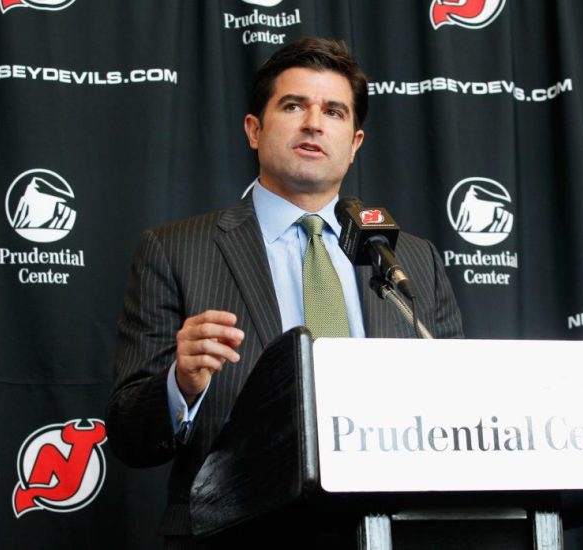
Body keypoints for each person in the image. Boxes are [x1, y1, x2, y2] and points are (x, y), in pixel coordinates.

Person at [106, 37, 463, 549]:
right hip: (234, 532)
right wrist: (179, 384)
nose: (314, 123)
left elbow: (457, 407)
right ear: (255, 129)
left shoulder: (413, 261)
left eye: (333, 112)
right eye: (294, 105)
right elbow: (128, 435)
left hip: (386, 532)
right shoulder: (175, 250)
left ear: (355, 141)